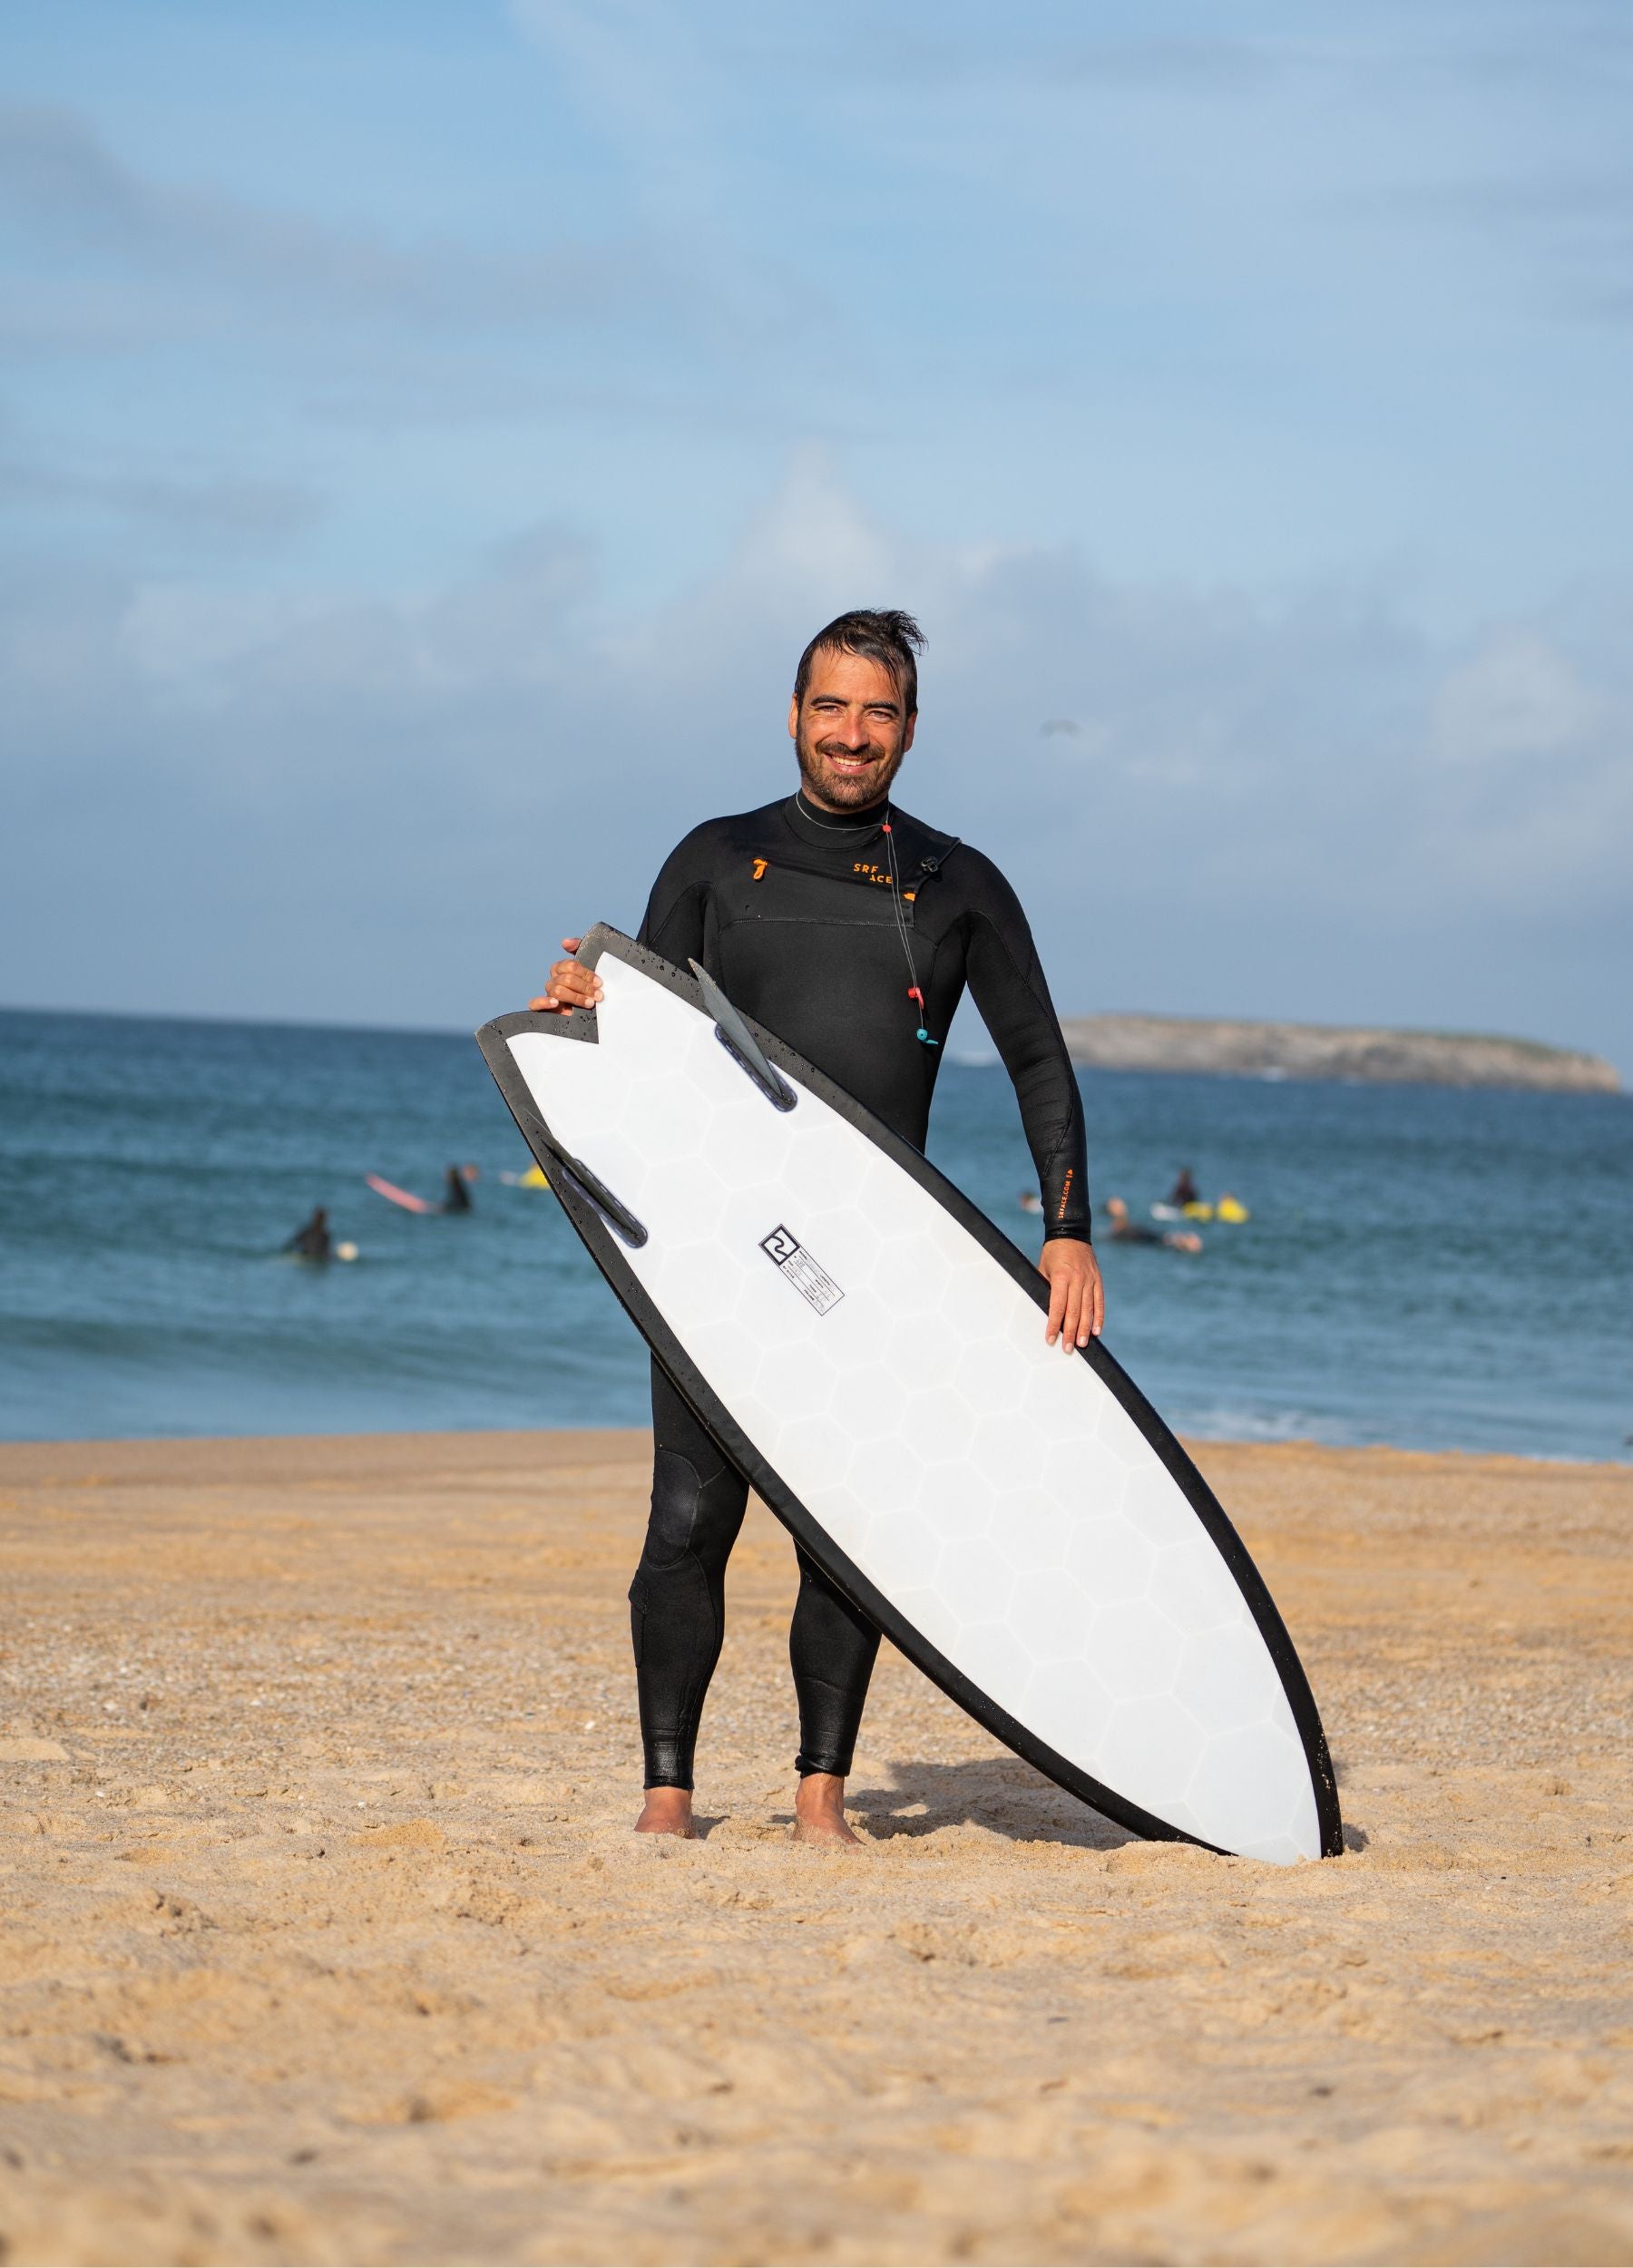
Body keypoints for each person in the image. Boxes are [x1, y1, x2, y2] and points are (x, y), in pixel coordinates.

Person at [530, 609, 1102, 1847]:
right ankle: (667, 1797)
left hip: (878, 1249)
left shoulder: (960, 884)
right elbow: (642, 1040)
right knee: (689, 1515)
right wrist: (581, 1003)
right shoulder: (710, 858)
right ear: (793, 715)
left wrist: (1068, 1228)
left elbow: (1039, 1062)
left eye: (878, 712)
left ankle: (820, 1796)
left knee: (847, 1532)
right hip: (713, 1242)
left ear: (909, 728)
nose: (852, 735)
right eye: (831, 707)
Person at [1105, 1197, 1201, 1255]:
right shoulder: (1125, 1230)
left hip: (1147, 1238)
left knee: (1162, 1240)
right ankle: (1181, 1240)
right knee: (1162, 1239)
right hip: (1150, 1238)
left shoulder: (1122, 1232)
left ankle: (1181, 1241)